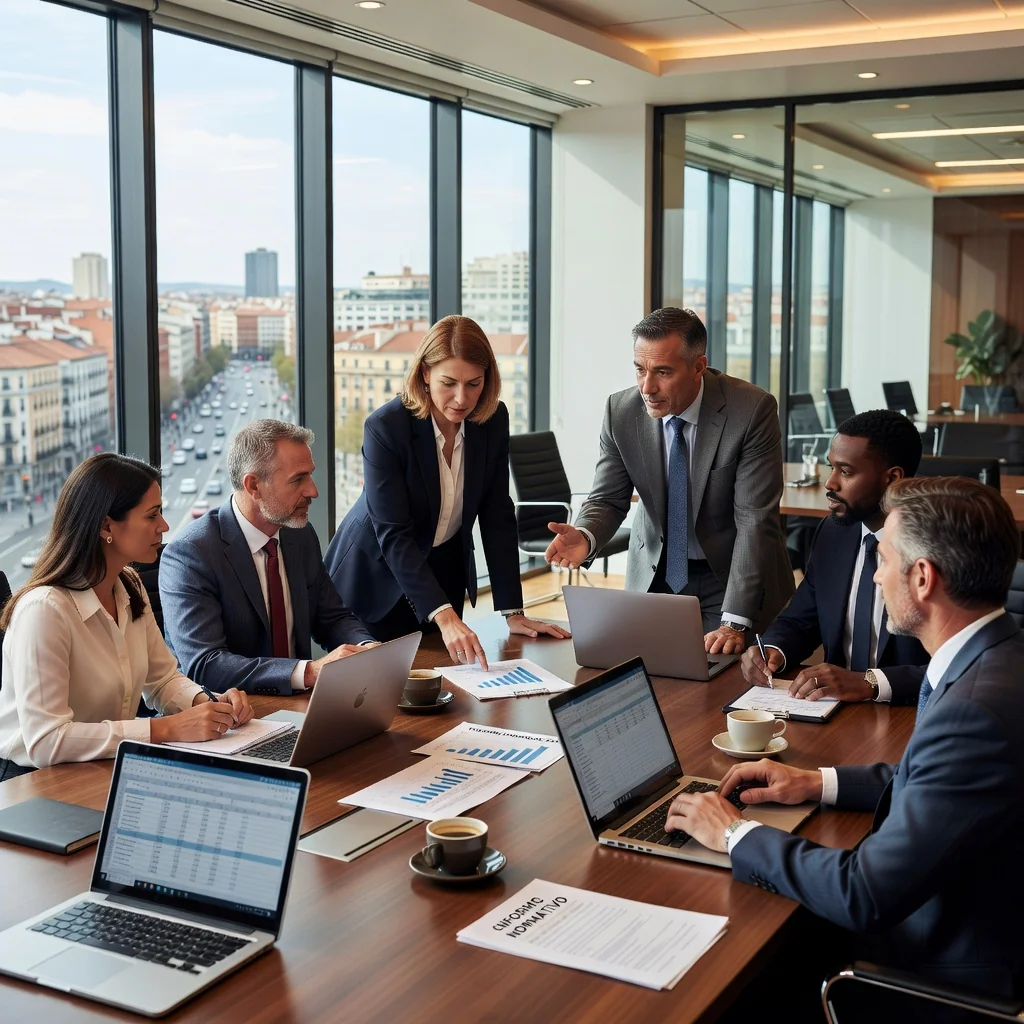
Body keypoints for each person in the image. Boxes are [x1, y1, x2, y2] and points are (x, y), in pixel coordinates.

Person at [666, 476, 1024, 999]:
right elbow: (933, 782)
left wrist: (732, 833)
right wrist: (817, 782)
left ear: (923, 577)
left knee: (727, 973)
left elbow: (863, 892)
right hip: (967, 919)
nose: (876, 577)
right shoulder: (997, 658)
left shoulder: (973, 712)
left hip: (938, 978)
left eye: (882, 558)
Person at [325, 315, 569, 668]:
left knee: (446, 688)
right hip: (375, 579)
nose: (461, 398)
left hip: (442, 574)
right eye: (448, 383)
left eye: (474, 383)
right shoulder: (386, 427)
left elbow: (497, 514)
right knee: (377, 695)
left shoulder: (492, 419)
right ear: (424, 373)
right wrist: (444, 616)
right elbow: (394, 534)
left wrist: (512, 611)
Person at [544, 307, 793, 650]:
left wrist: (734, 621)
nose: (648, 387)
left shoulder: (751, 410)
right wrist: (586, 535)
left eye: (663, 372)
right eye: (640, 370)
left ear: (698, 367)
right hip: (656, 574)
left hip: (732, 577)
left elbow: (755, 519)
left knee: (723, 683)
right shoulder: (621, 411)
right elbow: (607, 498)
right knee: (649, 675)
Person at [0, 454, 252, 779]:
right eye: (152, 515)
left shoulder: (128, 584)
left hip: (102, 768)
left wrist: (208, 703)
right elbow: (46, 741)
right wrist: (162, 730)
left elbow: (162, 681)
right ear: (106, 526)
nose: (164, 526)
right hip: (31, 783)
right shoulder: (44, 611)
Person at [160, 419, 375, 696]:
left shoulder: (300, 535)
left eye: (310, 475)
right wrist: (309, 672)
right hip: (232, 717)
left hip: (299, 705)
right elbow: (205, 664)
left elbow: (332, 618)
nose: (313, 491)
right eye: (298, 479)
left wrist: (367, 650)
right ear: (254, 486)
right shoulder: (191, 554)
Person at [742, 409, 929, 704]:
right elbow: (802, 619)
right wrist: (773, 650)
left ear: (892, 478)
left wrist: (869, 683)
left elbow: (959, 668)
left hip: (906, 714)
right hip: (832, 709)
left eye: (846, 472)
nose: (830, 483)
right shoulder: (834, 533)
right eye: (831, 468)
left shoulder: (937, 548)